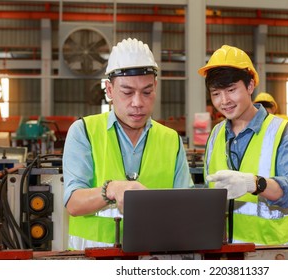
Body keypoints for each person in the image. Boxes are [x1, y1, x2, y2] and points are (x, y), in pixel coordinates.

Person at [62, 38, 194, 250]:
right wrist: (111, 189)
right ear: (109, 90)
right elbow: (74, 203)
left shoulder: (171, 140)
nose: (138, 103)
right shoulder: (84, 131)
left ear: (156, 87)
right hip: (94, 261)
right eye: (127, 92)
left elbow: (185, 208)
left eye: (147, 92)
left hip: (153, 258)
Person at [198, 45, 288, 246]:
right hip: (222, 251)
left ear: (250, 86)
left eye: (231, 90)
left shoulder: (282, 131)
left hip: (268, 252)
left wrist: (255, 184)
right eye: (216, 93)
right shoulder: (216, 134)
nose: (224, 101)